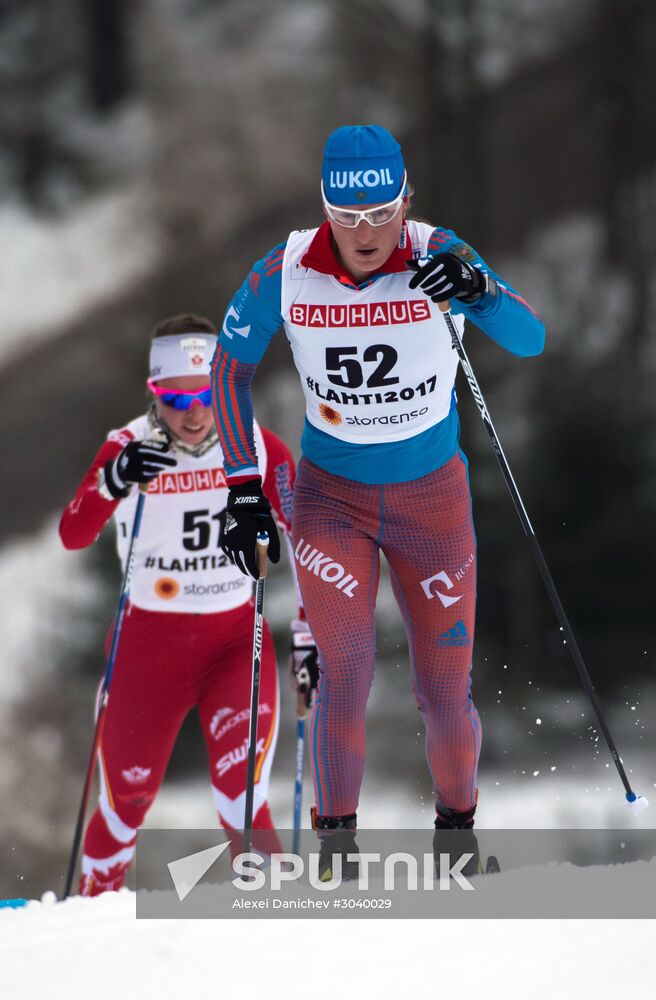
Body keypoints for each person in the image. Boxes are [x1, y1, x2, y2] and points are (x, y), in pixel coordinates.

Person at [211, 125, 545, 877]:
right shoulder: (287, 270)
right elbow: (227, 371)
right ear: (325, 207)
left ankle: (457, 840)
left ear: (405, 200)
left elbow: (529, 337)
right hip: (333, 505)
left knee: (443, 689)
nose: (365, 234)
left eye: (381, 213)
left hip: (433, 506)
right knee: (346, 671)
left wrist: (481, 294)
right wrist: (241, 488)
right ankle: (337, 854)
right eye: (347, 215)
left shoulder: (439, 250)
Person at [59, 313, 315, 896]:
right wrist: (111, 482)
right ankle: (91, 923)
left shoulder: (252, 443)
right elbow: (73, 534)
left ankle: (282, 922)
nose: (194, 412)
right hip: (148, 651)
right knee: (125, 806)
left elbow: (306, 539)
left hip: (235, 646)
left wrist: (309, 632)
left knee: (243, 798)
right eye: (176, 398)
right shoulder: (128, 446)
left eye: (204, 394)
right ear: (155, 395)